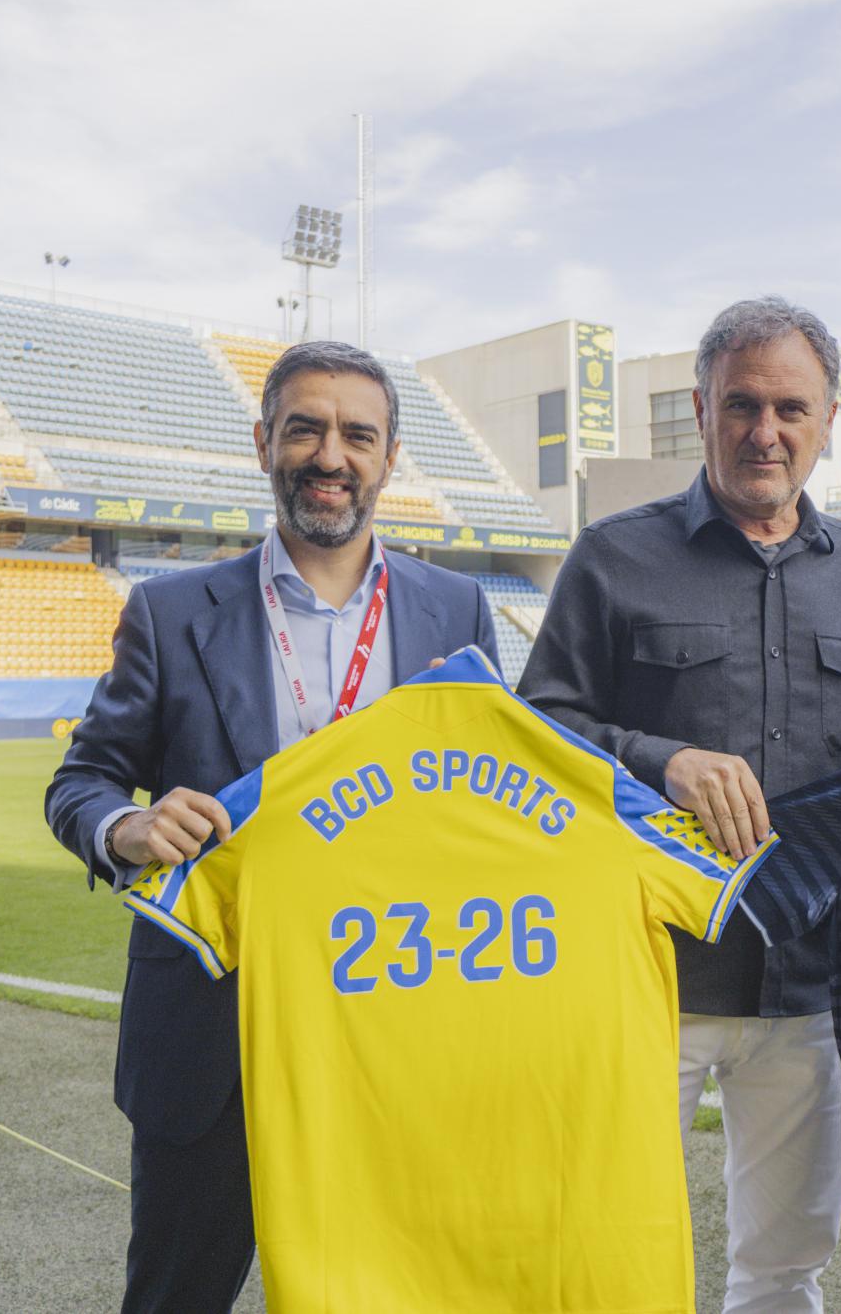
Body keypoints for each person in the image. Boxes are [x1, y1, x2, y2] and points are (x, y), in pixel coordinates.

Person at [44, 340, 500, 1313]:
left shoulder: (455, 608)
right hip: (215, 1033)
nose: (331, 455)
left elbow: (492, 804)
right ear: (263, 443)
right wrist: (126, 827)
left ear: (389, 458)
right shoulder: (168, 612)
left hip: (399, 1028)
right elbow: (82, 780)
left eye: (357, 435)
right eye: (305, 429)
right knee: (176, 1295)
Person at [519, 296, 841, 1312]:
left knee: (785, 1265)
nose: (766, 432)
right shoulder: (611, 556)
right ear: (702, 409)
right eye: (742, 405)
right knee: (608, 1249)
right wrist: (658, 758)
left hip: (807, 979)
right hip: (645, 975)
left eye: (791, 409)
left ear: (827, 420)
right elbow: (534, 730)